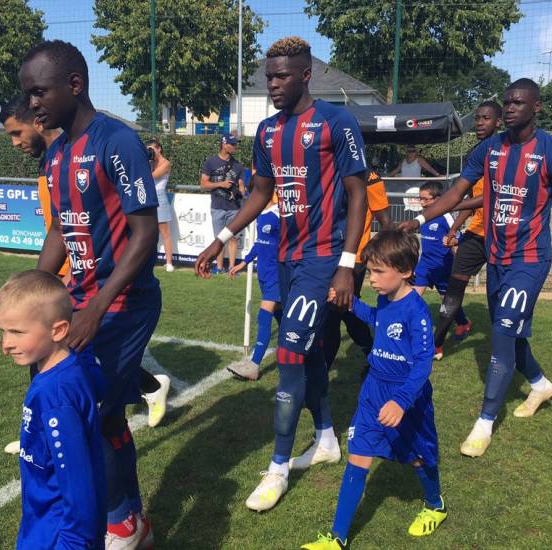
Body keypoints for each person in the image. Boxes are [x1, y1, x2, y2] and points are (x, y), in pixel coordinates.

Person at [195, 36, 369, 512]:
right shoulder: (268, 131)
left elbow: (358, 196)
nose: (273, 84)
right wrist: (220, 238)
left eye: (282, 76)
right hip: (287, 258)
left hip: (325, 258)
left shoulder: (337, 122)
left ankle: (276, 469)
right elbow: (259, 193)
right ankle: (329, 438)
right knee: (310, 356)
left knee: (289, 356)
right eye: (269, 76)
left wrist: (347, 265)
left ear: (306, 74)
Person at [20, 40, 161, 548]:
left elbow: (144, 234)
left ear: (74, 85)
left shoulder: (116, 141)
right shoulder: (56, 153)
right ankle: (134, 520)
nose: (33, 103)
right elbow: (61, 228)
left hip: (124, 303)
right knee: (107, 415)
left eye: (39, 92)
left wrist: (96, 309)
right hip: (80, 302)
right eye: (28, 94)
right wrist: (33, 290)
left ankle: (119, 522)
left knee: (86, 411)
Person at [399, 78, 552, 457]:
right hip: (496, 258)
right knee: (512, 334)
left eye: (519, 102)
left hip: (530, 261)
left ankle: (483, 424)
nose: (512, 107)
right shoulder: (488, 149)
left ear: (537, 107)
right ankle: (539, 383)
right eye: (508, 102)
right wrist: (418, 220)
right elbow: (455, 193)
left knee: (501, 335)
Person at [301, 230, 446, 550]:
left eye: (380, 272)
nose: (373, 279)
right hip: (373, 390)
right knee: (359, 457)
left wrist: (401, 401)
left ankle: (435, 505)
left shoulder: (417, 312)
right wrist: (351, 303)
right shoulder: (384, 299)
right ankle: (337, 538)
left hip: (407, 397)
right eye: (370, 271)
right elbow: (378, 319)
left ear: (406, 271)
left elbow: (423, 364)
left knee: (419, 458)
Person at [0, 270, 106, 549]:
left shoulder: (55, 395)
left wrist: (73, 543)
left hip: (57, 533)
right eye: (3, 331)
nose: (6, 345)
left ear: (57, 330)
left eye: (17, 332)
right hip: (42, 518)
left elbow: (77, 482)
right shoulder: (67, 365)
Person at [0, 94, 69, 456]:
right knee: (47, 357)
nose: (15, 143)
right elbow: (56, 225)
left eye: (16, 132)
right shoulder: (50, 161)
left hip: (75, 278)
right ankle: (36, 432)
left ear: (37, 123)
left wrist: (70, 276)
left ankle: (41, 436)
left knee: (51, 356)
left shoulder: (71, 156)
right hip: (56, 274)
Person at [431, 100, 503, 360]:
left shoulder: (504, 153)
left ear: (499, 122)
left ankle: (503, 350)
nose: (479, 123)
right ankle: (437, 344)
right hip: (476, 235)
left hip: (500, 238)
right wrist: (454, 229)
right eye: (477, 118)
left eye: (486, 119)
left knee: (498, 296)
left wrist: (454, 202)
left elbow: (487, 198)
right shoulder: (477, 154)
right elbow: (471, 201)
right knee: (454, 288)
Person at [323, 169, 393, 372]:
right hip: (326, 255)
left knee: (333, 312)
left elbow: (387, 223)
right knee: (345, 309)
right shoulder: (327, 170)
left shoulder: (369, 177)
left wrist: (372, 255)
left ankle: (321, 373)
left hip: (354, 259)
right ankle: (374, 354)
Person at [412, 181, 470, 360]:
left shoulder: (446, 217)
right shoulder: (423, 217)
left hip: (444, 267)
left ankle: (463, 322)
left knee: (448, 303)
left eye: (424, 198)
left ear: (437, 199)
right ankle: (407, 333)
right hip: (424, 266)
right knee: (411, 299)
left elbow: (456, 238)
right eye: (419, 198)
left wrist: (460, 261)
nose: (421, 202)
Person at [227, 195, 282, 381]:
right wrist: (244, 262)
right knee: (283, 318)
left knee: (264, 316)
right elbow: (260, 243)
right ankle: (295, 356)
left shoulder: (279, 213)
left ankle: (254, 365)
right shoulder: (260, 215)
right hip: (264, 275)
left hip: (277, 274)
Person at [200, 134, 246, 273]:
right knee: (219, 239)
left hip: (234, 207)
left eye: (236, 144)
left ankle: (232, 268)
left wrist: (239, 191)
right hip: (217, 206)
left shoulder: (238, 165)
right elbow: (203, 184)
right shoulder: (211, 162)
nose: (235, 147)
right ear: (224, 145)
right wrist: (222, 184)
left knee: (233, 238)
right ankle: (219, 267)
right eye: (232, 144)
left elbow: (242, 186)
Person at [146, 138, 175, 272]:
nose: (150, 152)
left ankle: (169, 262)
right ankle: (149, 259)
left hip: (159, 197)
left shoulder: (166, 163)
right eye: (148, 150)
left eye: (152, 149)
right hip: (148, 196)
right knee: (148, 231)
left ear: (159, 149)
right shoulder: (149, 162)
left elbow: (152, 176)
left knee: (165, 232)